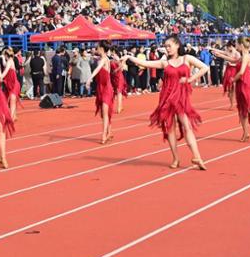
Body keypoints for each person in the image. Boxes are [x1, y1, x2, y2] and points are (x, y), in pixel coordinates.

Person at [123, 35, 208, 170]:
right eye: (165, 46)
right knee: (170, 129)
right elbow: (145, 64)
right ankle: (175, 158)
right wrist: (129, 57)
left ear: (177, 45)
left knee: (187, 126)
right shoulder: (165, 62)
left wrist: (190, 79)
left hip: (181, 98)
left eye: (169, 46)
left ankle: (196, 156)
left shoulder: (187, 58)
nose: (167, 49)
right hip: (167, 98)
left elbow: (205, 68)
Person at [89, 42, 114, 144]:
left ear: (102, 49)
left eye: (97, 48)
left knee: (105, 111)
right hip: (100, 88)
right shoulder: (102, 59)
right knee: (103, 114)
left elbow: (97, 69)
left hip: (107, 89)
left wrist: (90, 78)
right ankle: (109, 131)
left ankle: (104, 135)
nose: (96, 49)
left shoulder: (104, 59)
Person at [211, 41, 240, 111]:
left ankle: (236, 101)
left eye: (228, 47)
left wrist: (220, 55)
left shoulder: (237, 53)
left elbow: (236, 61)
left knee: (234, 88)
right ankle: (232, 103)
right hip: (228, 70)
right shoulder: (228, 51)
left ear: (231, 46)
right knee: (230, 88)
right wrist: (213, 49)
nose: (227, 48)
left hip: (235, 70)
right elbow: (221, 51)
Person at [1, 48, 21, 122]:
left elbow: (5, 72)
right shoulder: (9, 61)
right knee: (12, 101)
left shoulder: (10, 61)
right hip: (10, 83)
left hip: (13, 84)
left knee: (12, 101)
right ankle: (14, 116)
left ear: (6, 55)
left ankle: (12, 117)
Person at [110, 50, 127, 115]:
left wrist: (115, 70)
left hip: (119, 77)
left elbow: (121, 67)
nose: (112, 55)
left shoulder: (117, 59)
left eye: (113, 54)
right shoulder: (111, 60)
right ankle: (120, 106)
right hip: (114, 77)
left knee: (119, 91)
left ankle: (119, 107)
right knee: (117, 92)